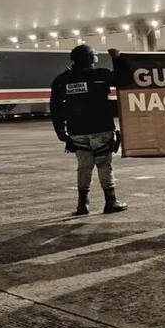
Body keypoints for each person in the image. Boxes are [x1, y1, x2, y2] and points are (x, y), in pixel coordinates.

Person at [50, 45, 129, 215]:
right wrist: (117, 58)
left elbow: (56, 107)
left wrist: (60, 130)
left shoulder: (61, 80)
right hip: (101, 127)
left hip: (77, 131)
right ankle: (110, 201)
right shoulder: (101, 75)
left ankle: (82, 205)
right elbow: (123, 79)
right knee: (104, 164)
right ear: (92, 59)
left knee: (84, 166)